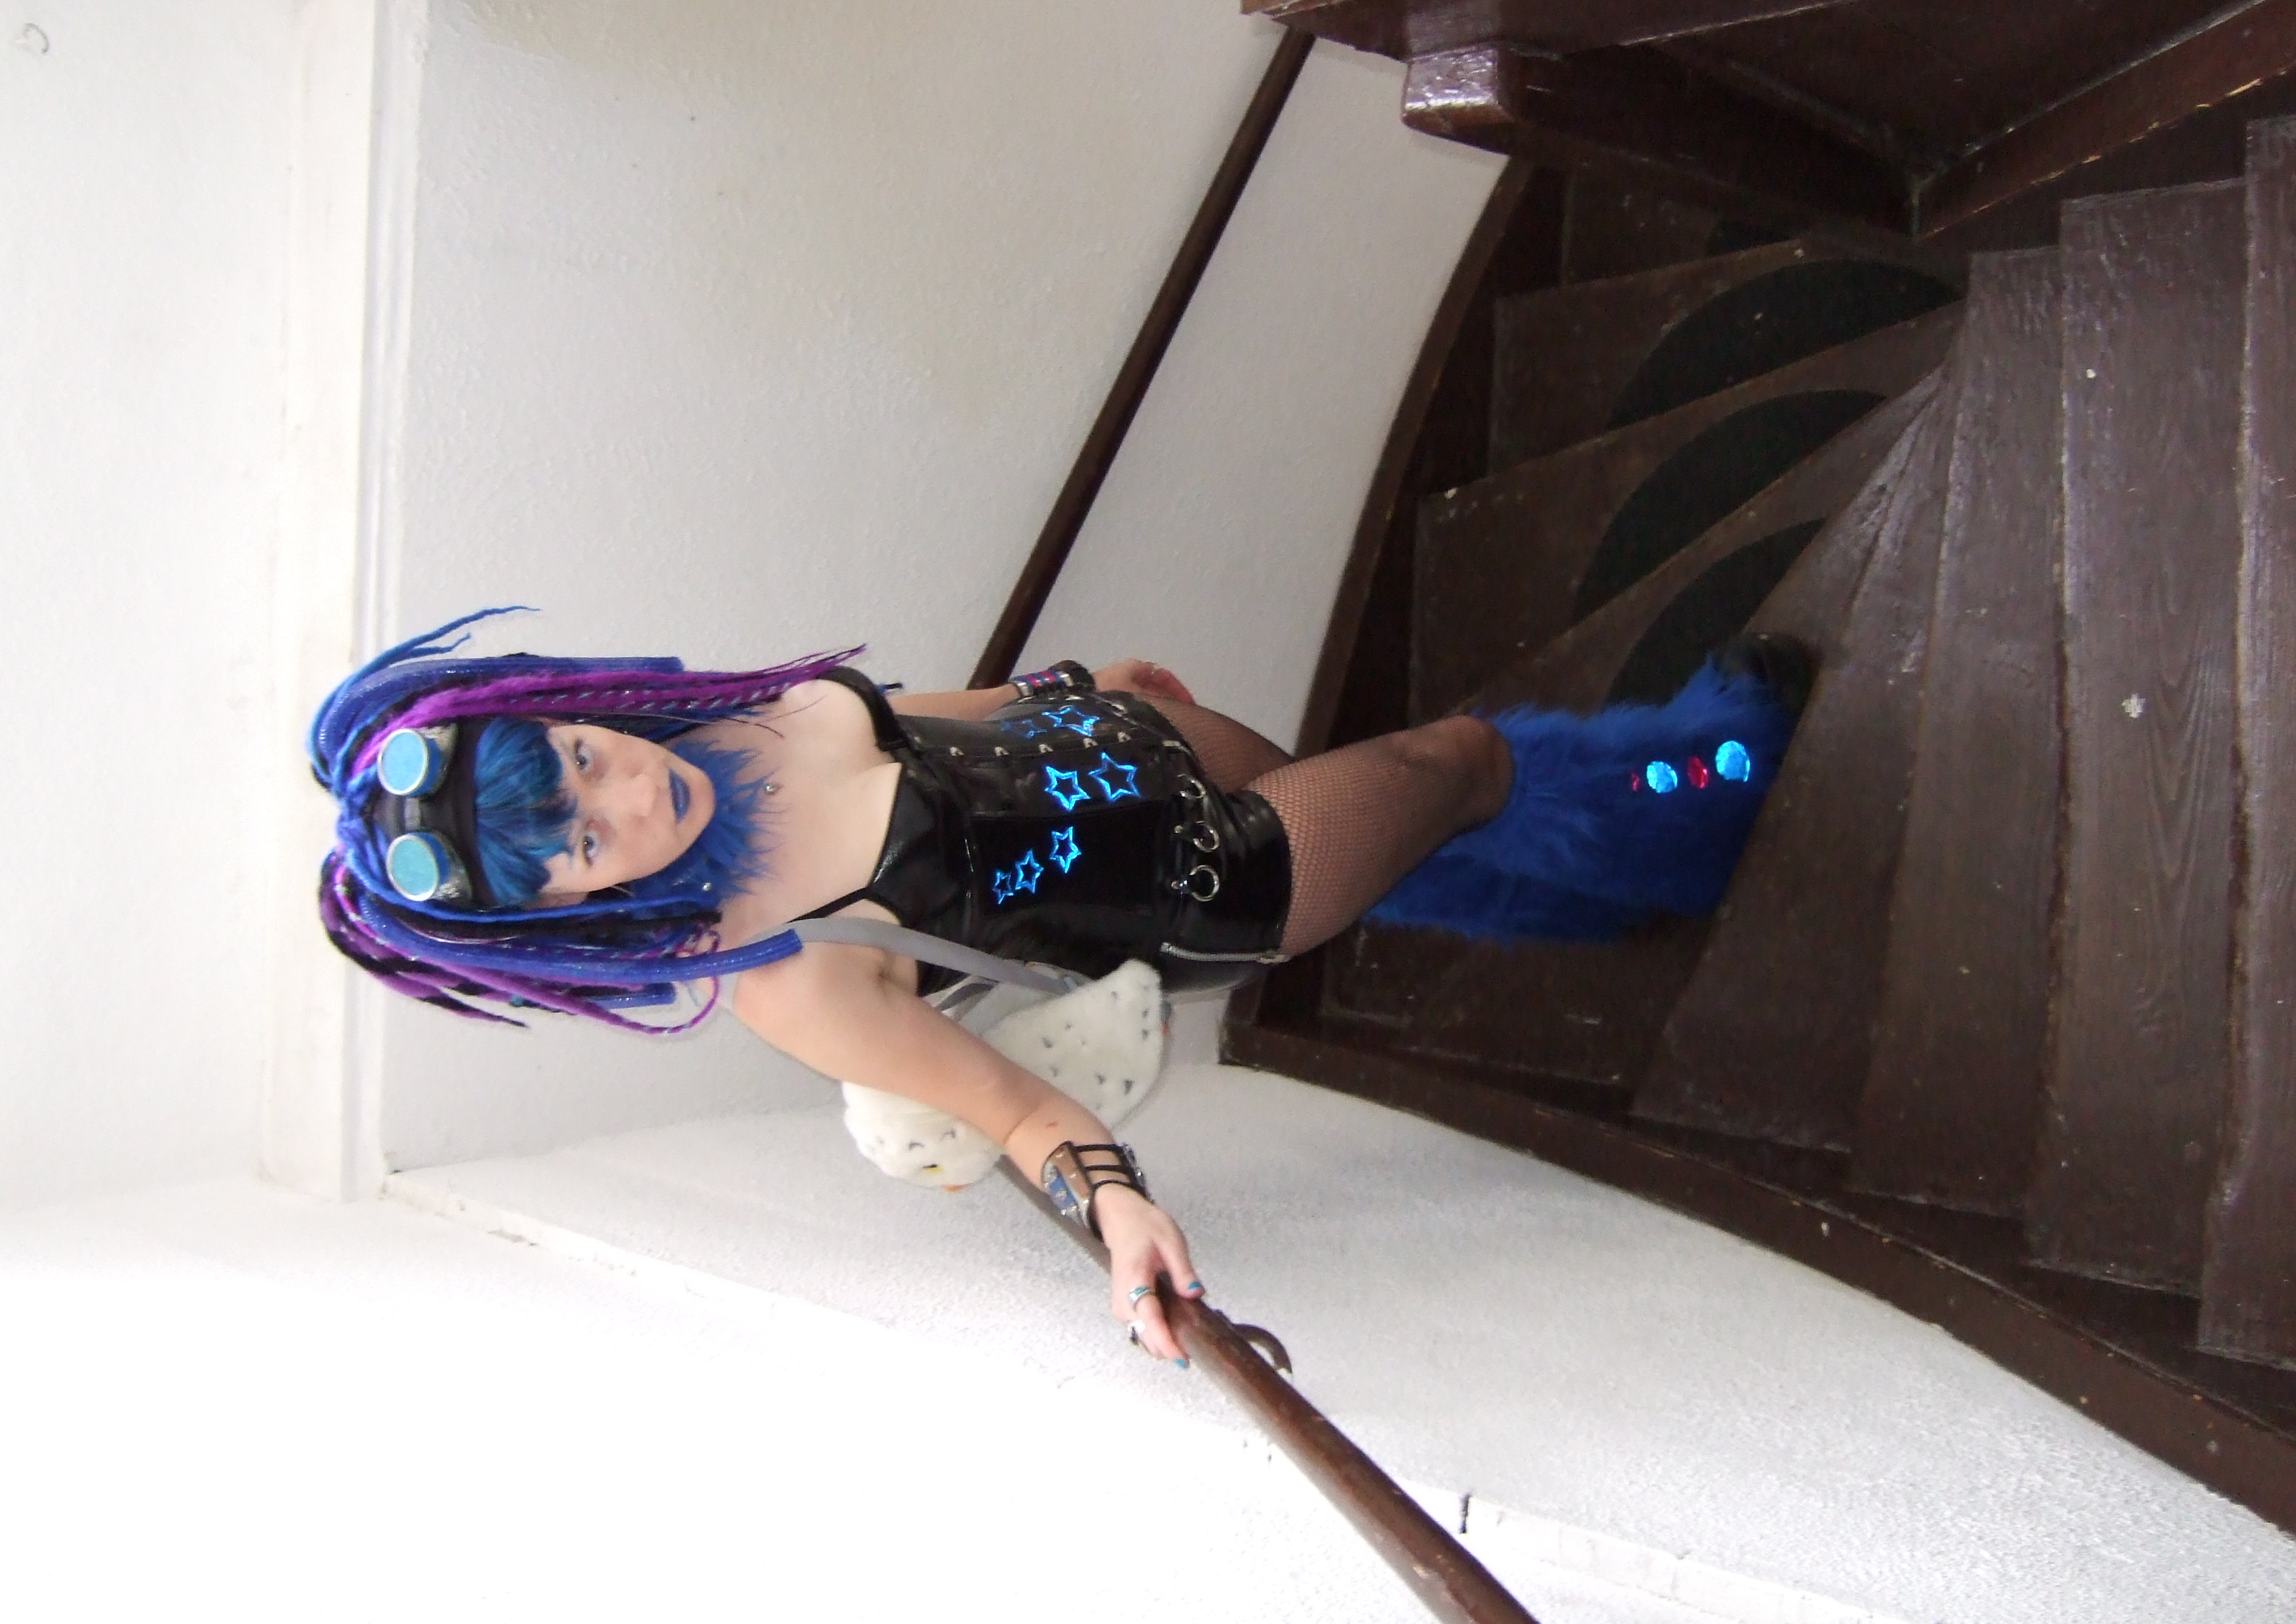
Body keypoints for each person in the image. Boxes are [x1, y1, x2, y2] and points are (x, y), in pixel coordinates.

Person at [313, 612, 1803, 1360]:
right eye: (585, 845)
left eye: (582, 759)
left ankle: (1628, 876)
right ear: (569, 913)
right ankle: (1704, 773)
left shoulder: (725, 724)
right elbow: (1012, 1109)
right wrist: (1116, 1212)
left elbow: (921, 725)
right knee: (1451, 763)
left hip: (1150, 749)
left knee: (1418, 837)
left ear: (570, 711)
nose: (632, 798)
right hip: (1215, 881)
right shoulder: (780, 978)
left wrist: (1073, 694)